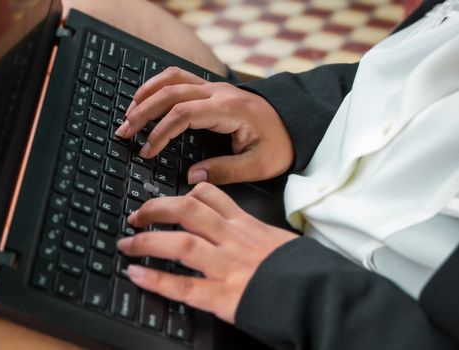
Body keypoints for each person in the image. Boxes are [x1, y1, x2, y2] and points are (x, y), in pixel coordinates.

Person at [105, 0, 459, 348]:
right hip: (294, 180)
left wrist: (291, 289)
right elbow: (403, 69)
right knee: (101, 11)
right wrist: (284, 113)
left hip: (328, 311)